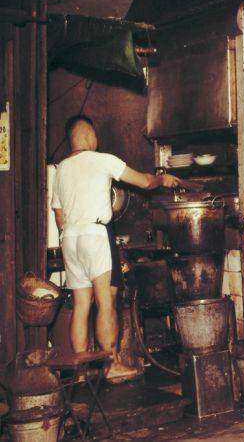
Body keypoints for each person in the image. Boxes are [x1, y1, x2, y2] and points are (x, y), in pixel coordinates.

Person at [51, 115, 181, 380]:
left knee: (81, 305)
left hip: (70, 238)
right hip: (95, 235)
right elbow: (144, 182)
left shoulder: (62, 169)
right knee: (106, 301)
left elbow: (58, 214)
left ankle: (82, 372)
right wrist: (162, 179)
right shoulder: (102, 160)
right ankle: (111, 366)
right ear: (88, 135)